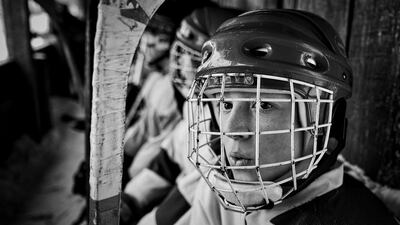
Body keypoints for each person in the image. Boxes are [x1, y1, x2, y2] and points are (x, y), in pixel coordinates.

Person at [180, 9, 399, 225]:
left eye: (263, 105)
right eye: (226, 104)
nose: (233, 130)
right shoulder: (217, 190)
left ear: (323, 121)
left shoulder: (359, 217)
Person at [120, 6, 243, 225]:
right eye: (182, 53)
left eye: (195, 59)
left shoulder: (222, 126)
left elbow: (190, 196)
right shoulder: (195, 106)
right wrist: (131, 197)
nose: (183, 65)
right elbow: (169, 159)